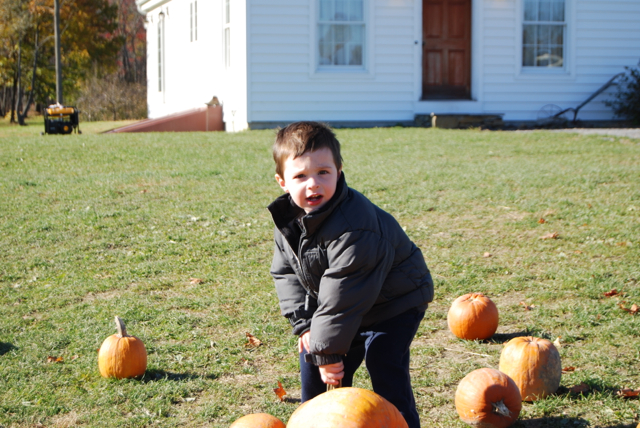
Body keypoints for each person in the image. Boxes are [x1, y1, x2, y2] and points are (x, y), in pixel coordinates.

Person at [267, 121, 434, 428]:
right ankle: (315, 419)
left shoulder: (354, 227)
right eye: (300, 176)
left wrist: (328, 351)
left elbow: (344, 292)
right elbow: (286, 274)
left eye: (323, 173)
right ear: (282, 182)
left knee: (383, 360)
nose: (313, 184)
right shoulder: (289, 222)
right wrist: (306, 327)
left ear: (339, 171)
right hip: (346, 305)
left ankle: (402, 423)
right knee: (311, 356)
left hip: (394, 303)